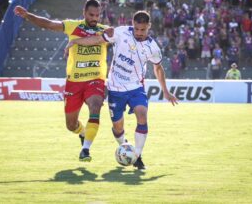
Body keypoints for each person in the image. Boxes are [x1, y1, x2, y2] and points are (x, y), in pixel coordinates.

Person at [66, 11, 178, 170]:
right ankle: (125, 146)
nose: (139, 33)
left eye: (143, 30)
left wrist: (165, 91)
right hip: (115, 89)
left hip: (136, 88)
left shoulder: (153, 48)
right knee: (118, 128)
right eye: (137, 29)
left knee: (142, 114)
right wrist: (76, 41)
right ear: (132, 23)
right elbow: (97, 39)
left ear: (149, 27)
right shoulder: (120, 32)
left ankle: (137, 156)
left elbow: (158, 68)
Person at [14, 0, 107, 162]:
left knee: (96, 105)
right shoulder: (73, 26)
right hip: (74, 82)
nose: (94, 18)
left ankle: (85, 150)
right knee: (71, 125)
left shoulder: (105, 31)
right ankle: (83, 133)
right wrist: (27, 15)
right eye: (91, 14)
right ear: (84, 13)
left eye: (97, 15)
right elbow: (48, 24)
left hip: (95, 79)